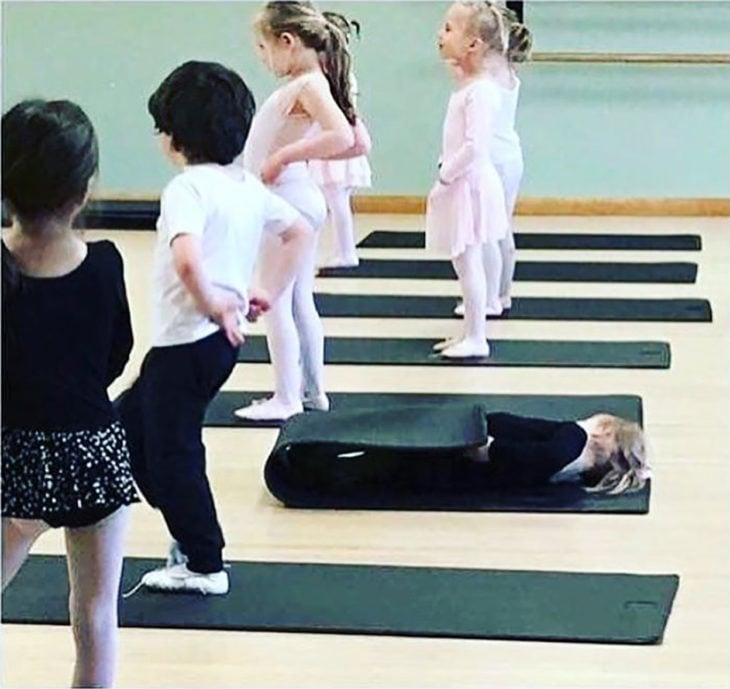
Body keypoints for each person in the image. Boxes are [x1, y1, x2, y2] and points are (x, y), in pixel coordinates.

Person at [116, 60, 313, 595]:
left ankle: (204, 561)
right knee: (125, 427)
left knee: (172, 452)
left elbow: (186, 259)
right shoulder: (244, 185)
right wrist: (264, 290)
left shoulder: (188, 188)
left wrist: (215, 305)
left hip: (187, 343)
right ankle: (187, 532)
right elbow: (297, 231)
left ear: (175, 138)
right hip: (209, 347)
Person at [2, 98, 138, 687]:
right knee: (96, 617)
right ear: (84, 190)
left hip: (15, 461)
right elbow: (116, 354)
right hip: (95, 457)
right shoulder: (105, 266)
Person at [235, 0, 370, 422]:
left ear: (288, 42)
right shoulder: (314, 83)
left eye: (263, 46)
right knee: (297, 302)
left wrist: (285, 157)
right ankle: (311, 392)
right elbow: (358, 143)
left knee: (275, 299)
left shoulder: (308, 85)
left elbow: (342, 134)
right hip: (295, 199)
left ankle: (287, 396)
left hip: (285, 202)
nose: (262, 57)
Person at [427, 1, 509, 359]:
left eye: (449, 29)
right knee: (464, 262)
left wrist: (446, 174)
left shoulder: (481, 91)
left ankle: (477, 336)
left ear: (474, 44)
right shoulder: (469, 86)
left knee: (467, 261)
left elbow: (475, 146)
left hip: (469, 183)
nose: (440, 35)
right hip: (464, 180)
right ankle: (470, 331)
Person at [455, 2, 532, 316]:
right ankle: (501, 294)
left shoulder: (488, 71)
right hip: (509, 156)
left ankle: (488, 298)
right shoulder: (506, 68)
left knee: (486, 230)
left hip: (490, 157)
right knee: (502, 230)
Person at [310, 10, 373, 269]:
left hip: (335, 147)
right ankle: (341, 250)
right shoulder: (337, 77)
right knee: (334, 203)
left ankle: (346, 252)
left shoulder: (334, 80)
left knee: (336, 203)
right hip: (332, 144)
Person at [471, 412, 649, 494]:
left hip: (486, 441)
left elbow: (548, 455)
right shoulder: (577, 453)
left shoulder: (576, 438)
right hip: (490, 444)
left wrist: (491, 450)